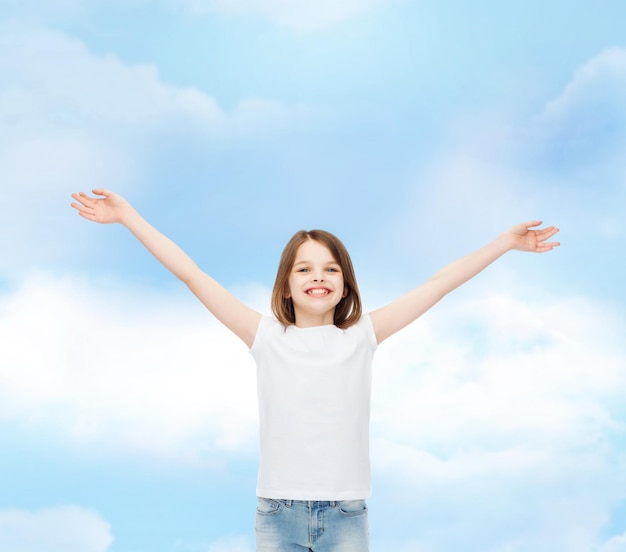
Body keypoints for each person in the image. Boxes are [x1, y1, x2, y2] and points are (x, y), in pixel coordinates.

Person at [70, 189, 560, 552]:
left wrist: (504, 243)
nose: (318, 277)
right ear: (286, 286)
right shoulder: (264, 336)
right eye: (304, 269)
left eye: (329, 268)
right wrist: (128, 216)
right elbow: (192, 273)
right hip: (277, 513)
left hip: (347, 514)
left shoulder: (363, 336)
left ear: (345, 285)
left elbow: (440, 282)